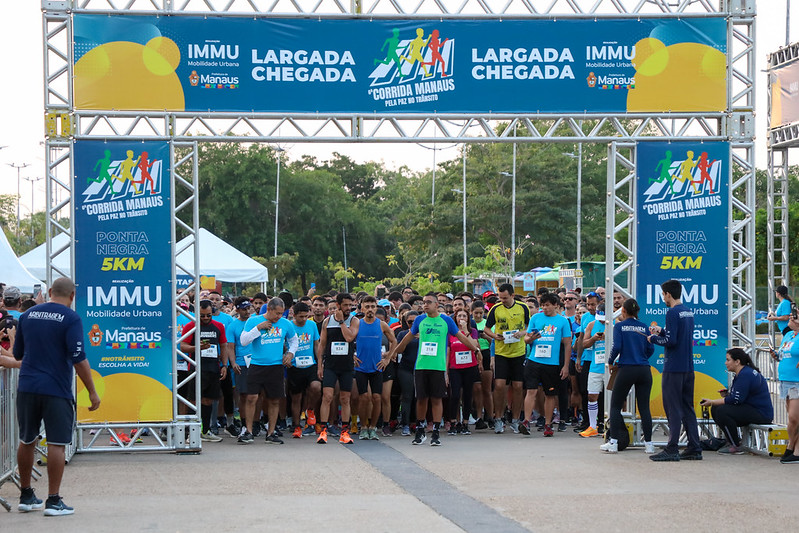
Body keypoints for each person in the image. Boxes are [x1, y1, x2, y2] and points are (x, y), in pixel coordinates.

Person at [14, 277, 100, 516]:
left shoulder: (28, 315)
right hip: (56, 389)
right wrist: (92, 392)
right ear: (72, 296)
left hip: (27, 386)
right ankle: (53, 500)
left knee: (27, 439)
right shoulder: (71, 318)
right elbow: (78, 358)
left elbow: (18, 353)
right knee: (57, 443)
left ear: (50, 291)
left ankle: (26, 494)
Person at [390, 293, 477, 446]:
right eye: (424, 302)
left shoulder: (446, 320)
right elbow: (407, 338)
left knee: (437, 399)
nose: (425, 305)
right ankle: (420, 430)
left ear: (437, 305)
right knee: (421, 399)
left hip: (438, 366)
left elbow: (460, 335)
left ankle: (436, 432)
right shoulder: (419, 319)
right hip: (421, 365)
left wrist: (474, 348)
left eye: (429, 302)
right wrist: (394, 352)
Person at [648, 280, 702, 461]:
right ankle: (694, 446)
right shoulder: (687, 311)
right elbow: (676, 336)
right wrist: (661, 331)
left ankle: (672, 448)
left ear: (668, 294)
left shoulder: (672, 312)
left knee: (673, 408)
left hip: (673, 367)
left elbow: (671, 342)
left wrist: (653, 338)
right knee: (687, 407)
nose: (663, 298)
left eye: (663, 295)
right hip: (688, 366)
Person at [240, 298, 297, 444]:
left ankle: (271, 433)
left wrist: (290, 353)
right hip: (256, 364)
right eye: (277, 313)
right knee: (252, 398)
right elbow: (243, 341)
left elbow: (294, 340)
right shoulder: (254, 321)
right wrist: (258, 328)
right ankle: (248, 431)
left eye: (281, 313)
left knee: (274, 399)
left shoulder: (286, 323)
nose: (279, 316)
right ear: (269, 309)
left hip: (276, 366)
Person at [604, 298, 655, 454]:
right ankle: (649, 444)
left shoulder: (619, 326)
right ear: (637, 311)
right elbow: (651, 348)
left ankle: (613, 442)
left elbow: (617, 346)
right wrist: (642, 357)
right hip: (644, 369)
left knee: (615, 405)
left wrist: (611, 361)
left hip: (627, 368)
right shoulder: (645, 327)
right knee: (644, 407)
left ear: (623, 311)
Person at [700, 348, 773, 455]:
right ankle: (731, 440)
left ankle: (735, 445)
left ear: (737, 361)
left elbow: (736, 400)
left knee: (721, 410)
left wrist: (712, 401)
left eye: (728, 360)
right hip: (752, 409)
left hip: (761, 413)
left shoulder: (745, 374)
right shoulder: (743, 373)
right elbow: (739, 397)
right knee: (717, 408)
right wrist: (726, 396)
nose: (725, 363)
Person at [180, 300, 233, 443]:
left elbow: (224, 345)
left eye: (208, 315)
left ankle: (206, 430)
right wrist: (197, 348)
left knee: (209, 400)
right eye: (202, 316)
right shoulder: (191, 326)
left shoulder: (219, 326)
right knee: (193, 400)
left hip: (213, 368)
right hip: (195, 368)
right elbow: (183, 346)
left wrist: (224, 365)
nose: (205, 318)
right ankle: (190, 432)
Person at [520, 292, 571, 437]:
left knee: (550, 394)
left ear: (556, 305)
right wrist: (530, 338)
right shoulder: (535, 318)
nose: (545, 308)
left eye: (548, 305)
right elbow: (526, 340)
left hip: (552, 363)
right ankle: (526, 421)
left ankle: (548, 424)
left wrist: (565, 366)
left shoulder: (562, 321)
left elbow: (567, 344)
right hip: (534, 360)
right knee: (531, 391)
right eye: (543, 305)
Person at [483, 283, 530, 434]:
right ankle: (498, 418)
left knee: (517, 386)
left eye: (504, 297)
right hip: (501, 352)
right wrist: (495, 336)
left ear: (512, 295)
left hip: (518, 352)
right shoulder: (495, 309)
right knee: (499, 386)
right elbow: (486, 328)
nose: (502, 300)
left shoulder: (523, 307)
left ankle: (515, 420)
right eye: (500, 297)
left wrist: (521, 333)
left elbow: (529, 326)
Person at [352, 296, 397, 440]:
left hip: (377, 367)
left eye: (373, 306)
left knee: (377, 397)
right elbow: (347, 339)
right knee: (364, 398)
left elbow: (394, 340)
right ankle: (364, 427)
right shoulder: (357, 324)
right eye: (367, 306)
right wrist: (352, 356)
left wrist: (388, 358)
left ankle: (373, 427)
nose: (370, 309)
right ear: (362, 308)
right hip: (361, 367)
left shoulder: (382, 324)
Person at [317, 292, 359, 445]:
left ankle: (345, 431)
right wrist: (319, 364)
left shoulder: (354, 321)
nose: (349, 308)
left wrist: (342, 322)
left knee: (345, 398)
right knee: (327, 396)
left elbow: (349, 338)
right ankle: (323, 430)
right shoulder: (327, 321)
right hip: (330, 365)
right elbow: (322, 344)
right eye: (346, 305)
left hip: (346, 365)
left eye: (350, 305)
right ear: (339, 305)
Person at [287, 302, 322, 439]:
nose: (304, 319)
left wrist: (319, 363)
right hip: (295, 366)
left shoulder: (312, 325)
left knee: (316, 387)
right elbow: (283, 344)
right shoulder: (288, 326)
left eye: (306, 316)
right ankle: (296, 426)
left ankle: (310, 410)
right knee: (296, 398)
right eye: (301, 317)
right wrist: (287, 356)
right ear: (294, 315)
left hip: (310, 364)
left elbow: (316, 344)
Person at [446, 308, 481, 435]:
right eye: (459, 315)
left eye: (464, 316)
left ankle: (465, 423)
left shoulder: (473, 331)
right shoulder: (451, 333)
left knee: (467, 395)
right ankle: (454, 422)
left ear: (468, 318)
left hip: (469, 367)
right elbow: (448, 352)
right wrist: (446, 371)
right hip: (455, 368)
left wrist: (466, 331)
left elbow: (474, 346)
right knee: (455, 395)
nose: (461, 318)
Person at [775, 306, 799, 463]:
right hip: (785, 379)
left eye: (795, 316)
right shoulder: (788, 335)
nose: (791, 317)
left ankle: (794, 448)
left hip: (797, 381)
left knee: (794, 417)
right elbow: (782, 354)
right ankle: (793, 447)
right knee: (791, 419)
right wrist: (775, 355)